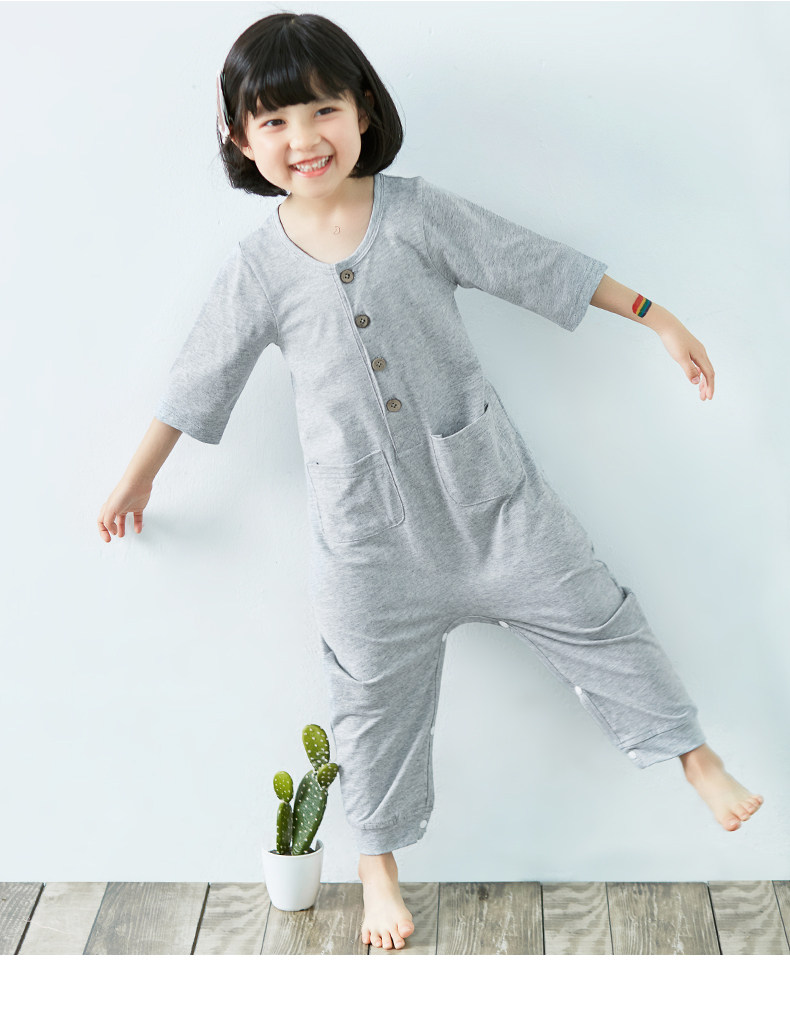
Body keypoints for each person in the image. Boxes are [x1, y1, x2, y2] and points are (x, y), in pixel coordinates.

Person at [97, 11, 763, 951]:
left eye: (322, 111)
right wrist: (138, 480)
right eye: (275, 121)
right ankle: (377, 870)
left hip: (493, 502)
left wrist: (656, 315)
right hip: (365, 538)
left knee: (597, 612)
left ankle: (695, 758)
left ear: (363, 110)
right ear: (240, 139)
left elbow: (532, 263)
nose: (303, 138)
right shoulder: (256, 270)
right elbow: (199, 378)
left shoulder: (416, 215)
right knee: (369, 703)